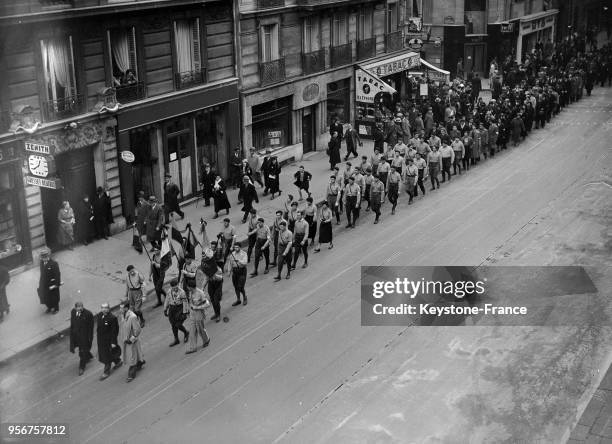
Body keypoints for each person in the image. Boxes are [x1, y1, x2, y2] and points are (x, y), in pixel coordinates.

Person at [119, 299, 145, 383]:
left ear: (127, 308)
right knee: (132, 354)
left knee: (131, 357)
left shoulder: (132, 317)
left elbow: (137, 330)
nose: (120, 310)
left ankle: (131, 373)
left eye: (122, 308)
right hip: (125, 340)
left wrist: (132, 339)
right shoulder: (123, 315)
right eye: (120, 308)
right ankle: (140, 362)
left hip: (131, 341)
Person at [97, 303, 122, 380]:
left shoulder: (112, 318)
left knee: (106, 356)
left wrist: (113, 342)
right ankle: (117, 361)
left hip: (109, 340)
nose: (104, 309)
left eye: (106, 308)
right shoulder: (100, 315)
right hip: (101, 340)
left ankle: (106, 372)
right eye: (102, 308)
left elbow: (115, 331)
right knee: (108, 353)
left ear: (109, 309)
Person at [69, 302, 94, 376]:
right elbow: (72, 323)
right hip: (76, 336)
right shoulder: (73, 312)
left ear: (83, 307)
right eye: (78, 308)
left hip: (84, 337)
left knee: (82, 352)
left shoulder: (88, 314)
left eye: (81, 307)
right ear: (75, 308)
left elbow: (90, 328)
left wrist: (90, 338)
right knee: (82, 349)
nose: (79, 309)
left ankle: (81, 367)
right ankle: (88, 356)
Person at [164, 278, 189, 347]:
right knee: (173, 324)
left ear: (178, 285)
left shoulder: (182, 292)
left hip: (180, 308)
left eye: (176, 286)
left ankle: (186, 332)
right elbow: (167, 299)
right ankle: (176, 339)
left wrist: (185, 312)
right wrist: (165, 309)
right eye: (173, 286)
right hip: (172, 308)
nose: (175, 287)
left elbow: (185, 302)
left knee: (178, 324)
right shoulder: (169, 291)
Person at [185, 288, 211, 354]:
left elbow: (207, 304)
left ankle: (206, 340)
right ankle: (193, 348)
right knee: (192, 331)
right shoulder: (190, 292)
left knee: (201, 329)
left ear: (191, 286)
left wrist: (197, 307)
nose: (188, 289)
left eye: (189, 287)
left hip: (199, 313)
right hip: (192, 314)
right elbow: (190, 302)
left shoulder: (200, 293)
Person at [38, 249, 60, 314]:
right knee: (46, 296)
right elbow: (42, 274)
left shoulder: (54, 263)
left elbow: (57, 274)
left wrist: (57, 284)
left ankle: (56, 309)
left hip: (52, 283)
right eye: (42, 258)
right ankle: (49, 307)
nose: (44, 259)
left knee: (54, 296)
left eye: (45, 257)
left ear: (48, 256)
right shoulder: (41, 263)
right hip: (44, 283)